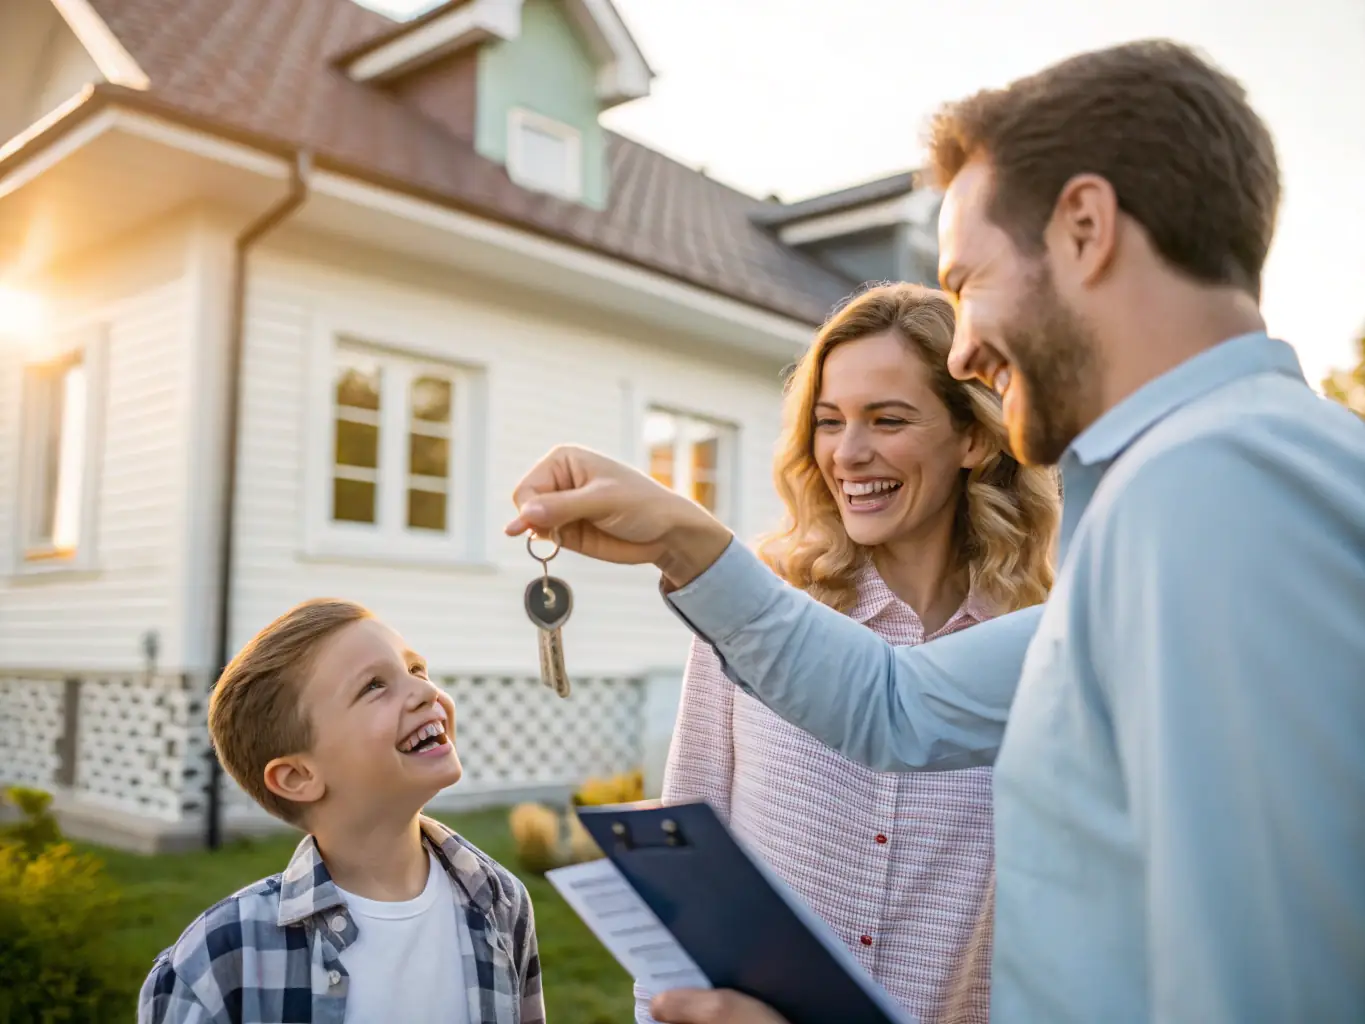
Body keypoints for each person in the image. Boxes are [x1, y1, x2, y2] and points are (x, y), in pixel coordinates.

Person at [506, 39, 1365, 1024]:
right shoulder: (1204, 483)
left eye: (968, 281)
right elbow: (900, 706)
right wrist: (684, 540)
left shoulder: (1215, 491)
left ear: (1086, 227)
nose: (963, 346)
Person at [634, 284, 1059, 1024]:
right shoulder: (757, 614)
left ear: (974, 438)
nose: (848, 454)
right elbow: (682, 858)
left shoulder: (1040, 640)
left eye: (887, 420)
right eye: (827, 423)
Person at [138, 600, 545, 1024]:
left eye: (416, 670)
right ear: (298, 776)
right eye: (374, 686)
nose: (426, 691)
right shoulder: (218, 957)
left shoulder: (500, 901)